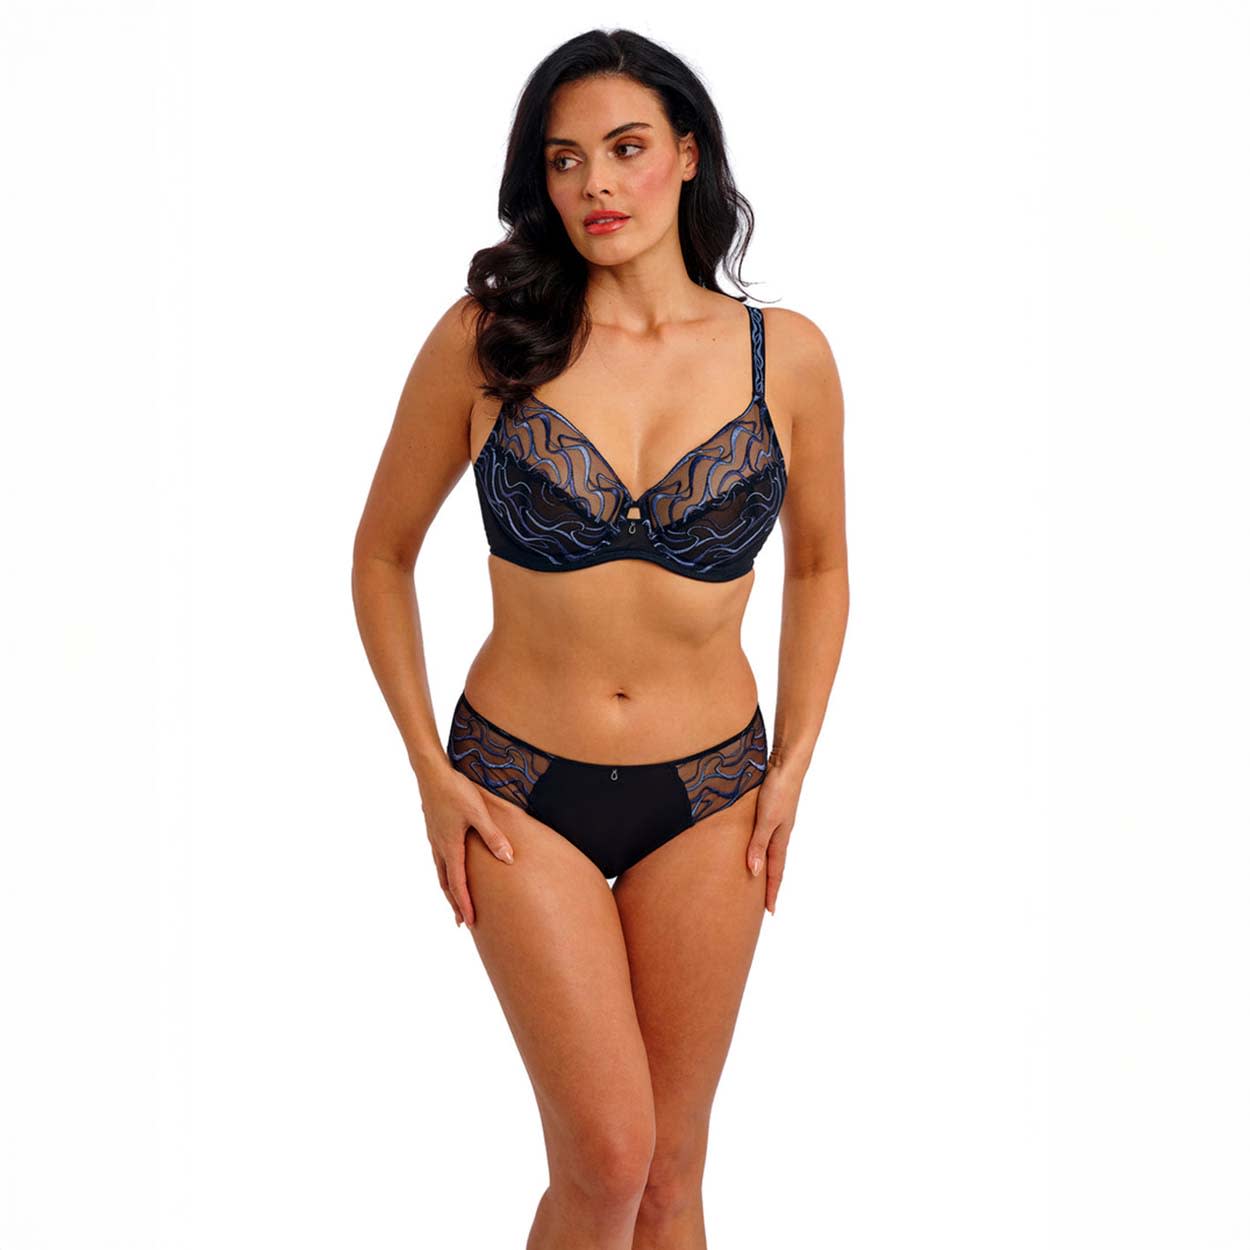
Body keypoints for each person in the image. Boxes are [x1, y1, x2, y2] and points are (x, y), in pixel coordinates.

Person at [351, 28, 848, 1250]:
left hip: (712, 791)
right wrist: (427, 769)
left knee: (671, 1175)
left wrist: (791, 764)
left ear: (687, 154)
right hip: (515, 785)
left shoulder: (783, 355)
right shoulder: (485, 339)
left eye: (625, 149)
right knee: (607, 1157)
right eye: (563, 159)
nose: (594, 185)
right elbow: (380, 555)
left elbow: (820, 565)